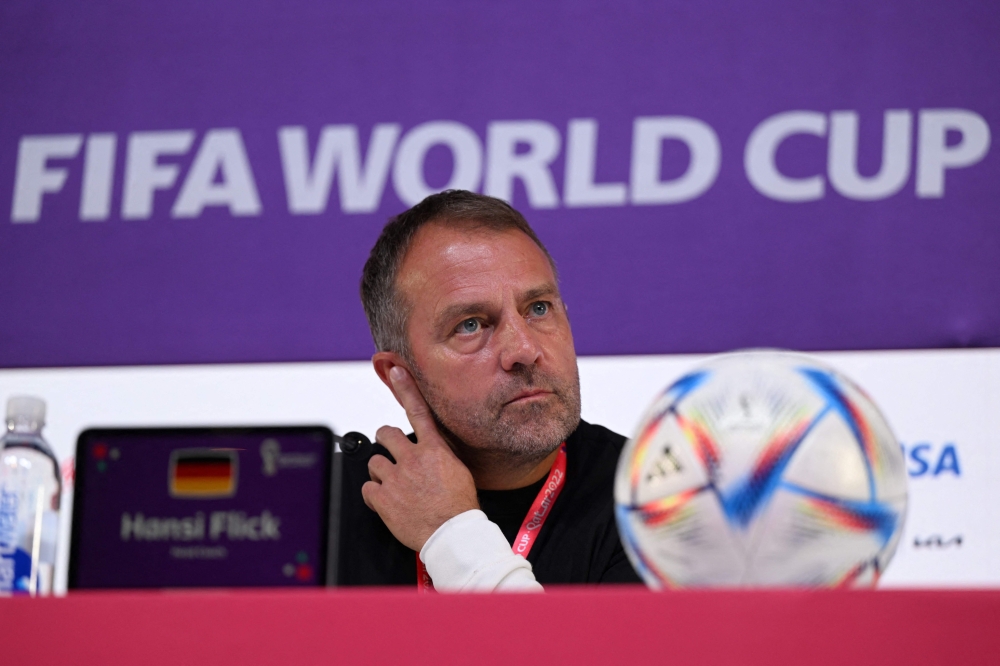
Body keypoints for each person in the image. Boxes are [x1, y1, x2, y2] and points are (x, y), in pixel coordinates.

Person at [337, 190, 641, 590]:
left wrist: (450, 531)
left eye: (538, 308)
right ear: (399, 373)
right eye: (471, 324)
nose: (525, 350)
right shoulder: (322, 511)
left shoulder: (663, 499)